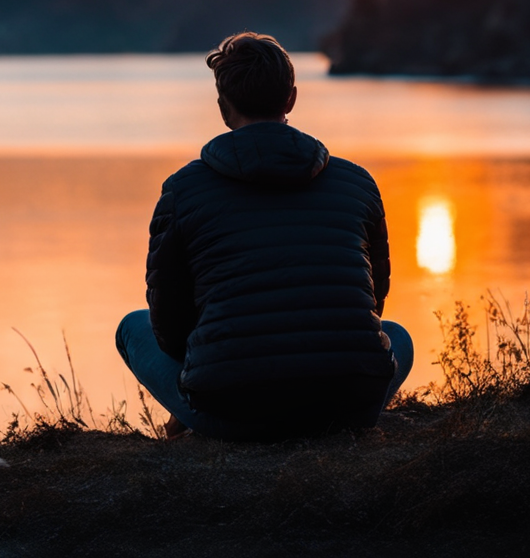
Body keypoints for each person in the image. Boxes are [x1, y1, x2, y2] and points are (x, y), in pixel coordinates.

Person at [116, 33, 412, 442]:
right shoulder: (356, 182)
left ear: (223, 108)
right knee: (397, 337)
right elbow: (373, 299)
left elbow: (167, 321)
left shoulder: (183, 189)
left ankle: (194, 421)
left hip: (234, 415)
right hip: (347, 407)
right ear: (291, 99)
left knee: (133, 327)